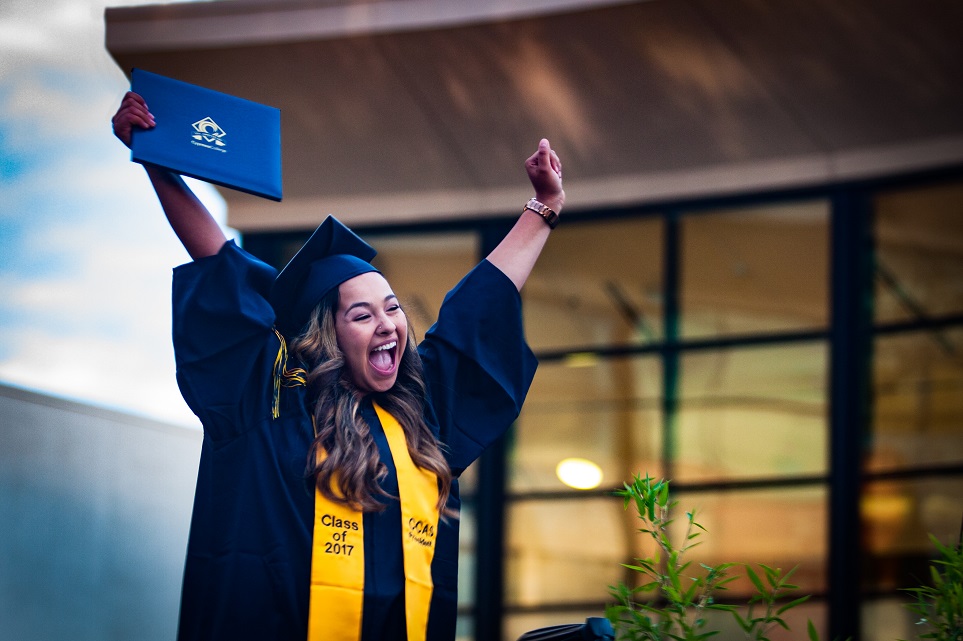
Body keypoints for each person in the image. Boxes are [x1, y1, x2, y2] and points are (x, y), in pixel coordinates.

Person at [112, 91, 565, 641]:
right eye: (362, 314)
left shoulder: (422, 413)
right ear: (328, 334)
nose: (388, 325)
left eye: (394, 308)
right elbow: (220, 265)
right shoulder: (272, 403)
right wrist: (157, 161)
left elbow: (482, 304)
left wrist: (541, 208)